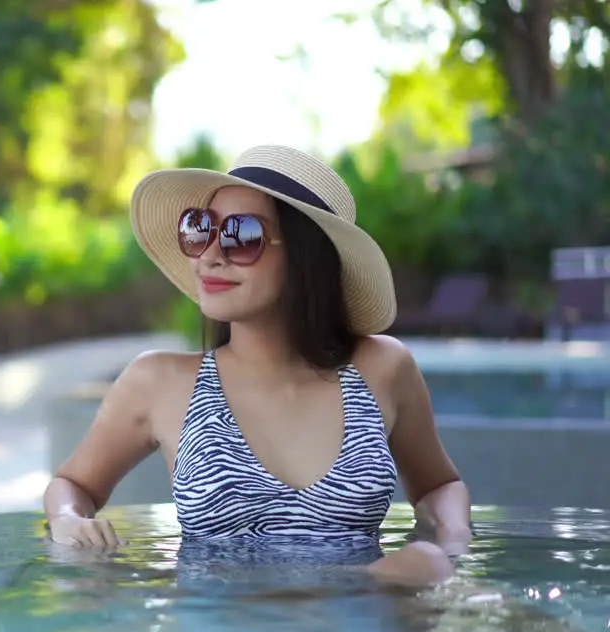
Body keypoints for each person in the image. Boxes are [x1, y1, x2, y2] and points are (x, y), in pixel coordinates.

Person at [43, 145, 472, 586]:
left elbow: (439, 486)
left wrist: (452, 540)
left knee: (424, 563)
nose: (210, 254)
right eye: (200, 230)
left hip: (353, 627)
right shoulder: (158, 381)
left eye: (242, 235)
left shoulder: (383, 367)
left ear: (306, 256)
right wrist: (68, 519)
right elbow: (74, 484)